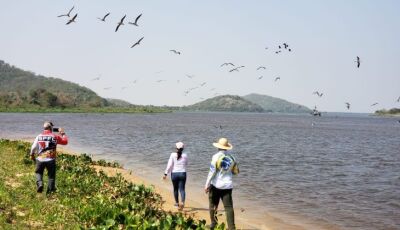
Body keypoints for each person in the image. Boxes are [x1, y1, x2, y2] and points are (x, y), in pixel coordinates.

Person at [204, 138, 239, 230]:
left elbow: (212, 172)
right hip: (228, 185)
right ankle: (232, 227)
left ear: (218, 147)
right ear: (227, 147)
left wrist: (206, 184)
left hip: (216, 185)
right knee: (229, 207)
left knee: (213, 204)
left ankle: (213, 224)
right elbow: (235, 172)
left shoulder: (215, 157)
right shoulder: (232, 158)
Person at [30, 121, 68, 194]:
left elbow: (33, 147)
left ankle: (40, 184)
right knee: (51, 177)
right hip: (51, 160)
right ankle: (50, 192)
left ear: (44, 128)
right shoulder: (55, 136)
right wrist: (62, 133)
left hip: (40, 159)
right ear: (51, 128)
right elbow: (65, 142)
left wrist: (32, 155)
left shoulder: (39, 136)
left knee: (38, 173)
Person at [162, 142, 188, 209]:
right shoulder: (185, 155)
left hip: (174, 174)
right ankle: (182, 202)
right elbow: (186, 164)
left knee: (175, 189)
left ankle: (177, 203)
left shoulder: (172, 155)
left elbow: (169, 165)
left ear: (176, 148)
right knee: (182, 189)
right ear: (183, 148)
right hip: (183, 173)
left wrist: (165, 173)